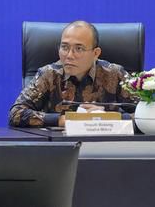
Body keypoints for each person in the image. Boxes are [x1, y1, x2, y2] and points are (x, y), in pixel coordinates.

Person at [8, 20, 138, 128]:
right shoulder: (48, 75)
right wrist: (61, 120)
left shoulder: (115, 74)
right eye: (64, 47)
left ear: (95, 53)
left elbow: (146, 116)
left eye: (79, 49)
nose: (69, 55)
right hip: (61, 147)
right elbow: (16, 113)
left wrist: (108, 118)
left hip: (105, 145)